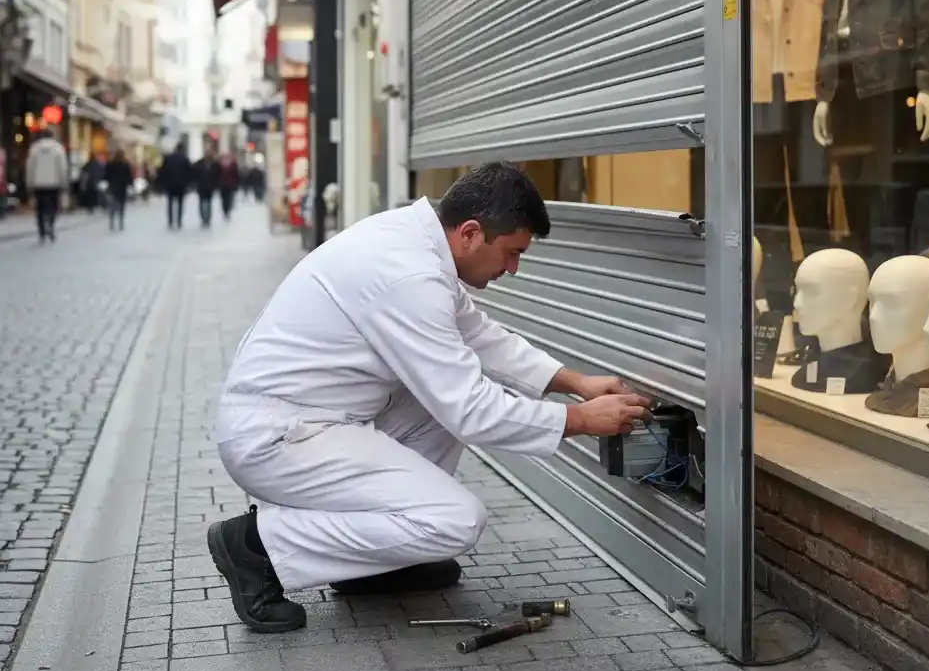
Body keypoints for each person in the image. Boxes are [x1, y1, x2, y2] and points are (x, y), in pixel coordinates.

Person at [208, 162, 650, 633]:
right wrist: (580, 420)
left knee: (442, 397)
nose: (513, 269)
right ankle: (256, 547)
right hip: (278, 438)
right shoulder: (407, 276)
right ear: (472, 233)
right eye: (512, 252)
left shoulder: (416, 245)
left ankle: (377, 565)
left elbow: (478, 336)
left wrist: (575, 381)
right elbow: (473, 411)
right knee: (456, 521)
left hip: (316, 422)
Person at [26, 128, 69, 243]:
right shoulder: (58, 149)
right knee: (53, 206)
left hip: (38, 184)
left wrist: (29, 183)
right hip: (54, 184)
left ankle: (42, 231)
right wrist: (64, 182)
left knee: (40, 208)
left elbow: (30, 168)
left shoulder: (34, 149)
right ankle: (50, 223)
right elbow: (62, 168)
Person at [158, 142, 192, 230]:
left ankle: (170, 221)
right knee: (180, 203)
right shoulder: (185, 159)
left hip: (170, 184)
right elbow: (189, 172)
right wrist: (188, 183)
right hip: (181, 185)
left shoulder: (168, 158)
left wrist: (162, 183)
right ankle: (179, 221)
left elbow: (163, 171)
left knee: (170, 203)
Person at [104, 149, 133, 232]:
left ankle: (112, 222)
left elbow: (106, 175)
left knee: (112, 205)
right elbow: (129, 176)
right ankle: (121, 222)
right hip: (122, 188)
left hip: (112, 187)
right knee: (121, 205)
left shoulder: (110, 164)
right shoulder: (125, 164)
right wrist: (130, 185)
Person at [193, 146, 222, 228]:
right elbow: (195, 173)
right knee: (202, 203)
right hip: (201, 186)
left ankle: (207, 218)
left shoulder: (215, 164)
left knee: (208, 203)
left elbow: (218, 175)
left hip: (210, 186)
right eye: (206, 152)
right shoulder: (199, 163)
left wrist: (216, 184)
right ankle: (203, 217)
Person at [219, 153, 240, 220]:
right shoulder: (219, 165)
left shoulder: (233, 165)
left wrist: (236, 183)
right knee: (224, 199)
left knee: (230, 198)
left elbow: (236, 174)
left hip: (231, 185)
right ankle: (225, 210)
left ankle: (228, 210)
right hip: (222, 185)